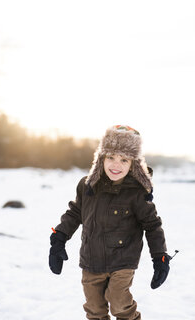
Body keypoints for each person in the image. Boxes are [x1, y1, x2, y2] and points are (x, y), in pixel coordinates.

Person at [49, 125, 171, 320]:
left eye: (124, 160)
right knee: (94, 309)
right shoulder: (87, 185)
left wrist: (160, 258)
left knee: (119, 302)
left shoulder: (137, 192)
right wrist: (59, 238)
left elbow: (152, 225)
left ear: (134, 163)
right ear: (101, 158)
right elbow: (75, 212)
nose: (116, 165)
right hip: (91, 259)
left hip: (123, 260)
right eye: (111, 157)